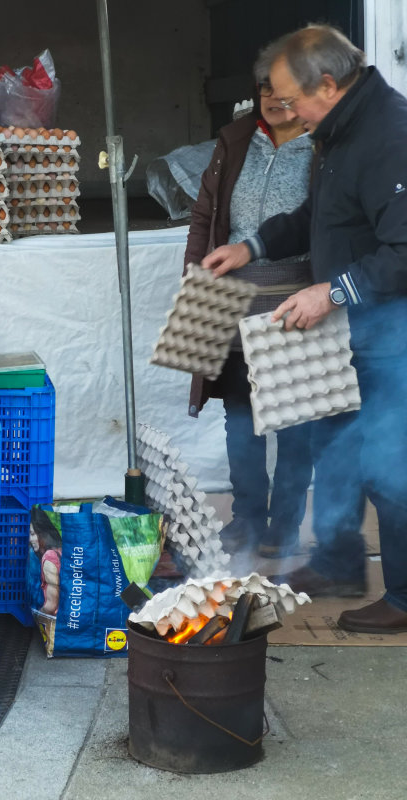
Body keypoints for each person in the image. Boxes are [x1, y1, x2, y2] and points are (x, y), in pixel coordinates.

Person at [202, 24, 407, 634]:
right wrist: (251, 246)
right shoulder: (338, 133)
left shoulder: (389, 136)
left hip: (391, 336)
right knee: (335, 450)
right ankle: (340, 564)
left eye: (292, 100)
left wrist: (331, 290)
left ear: (328, 83)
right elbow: (317, 216)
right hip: (351, 333)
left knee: (388, 464)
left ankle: (404, 597)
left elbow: (403, 249)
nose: (286, 112)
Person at [184, 57, 314, 559]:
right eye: (266, 90)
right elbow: (204, 215)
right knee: (241, 412)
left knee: (297, 419)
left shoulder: (323, 146)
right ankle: (246, 520)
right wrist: (195, 276)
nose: (275, 100)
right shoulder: (235, 140)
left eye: (286, 90)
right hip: (233, 296)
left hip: (297, 294)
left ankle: (285, 523)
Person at [29, 508, 62, 616]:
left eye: (33, 534)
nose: (30, 539)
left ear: (42, 533)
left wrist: (37, 615)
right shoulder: (60, 550)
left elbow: (51, 605)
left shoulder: (49, 557)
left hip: (57, 622)